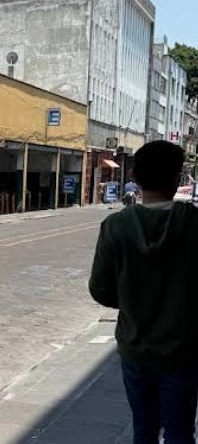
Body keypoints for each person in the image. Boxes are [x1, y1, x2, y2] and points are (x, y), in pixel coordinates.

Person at [90, 140, 198, 444]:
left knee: (143, 429)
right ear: (177, 178)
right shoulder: (193, 223)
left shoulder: (115, 226)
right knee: (180, 431)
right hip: (184, 350)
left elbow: (100, 289)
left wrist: (132, 299)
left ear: (135, 177)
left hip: (135, 347)